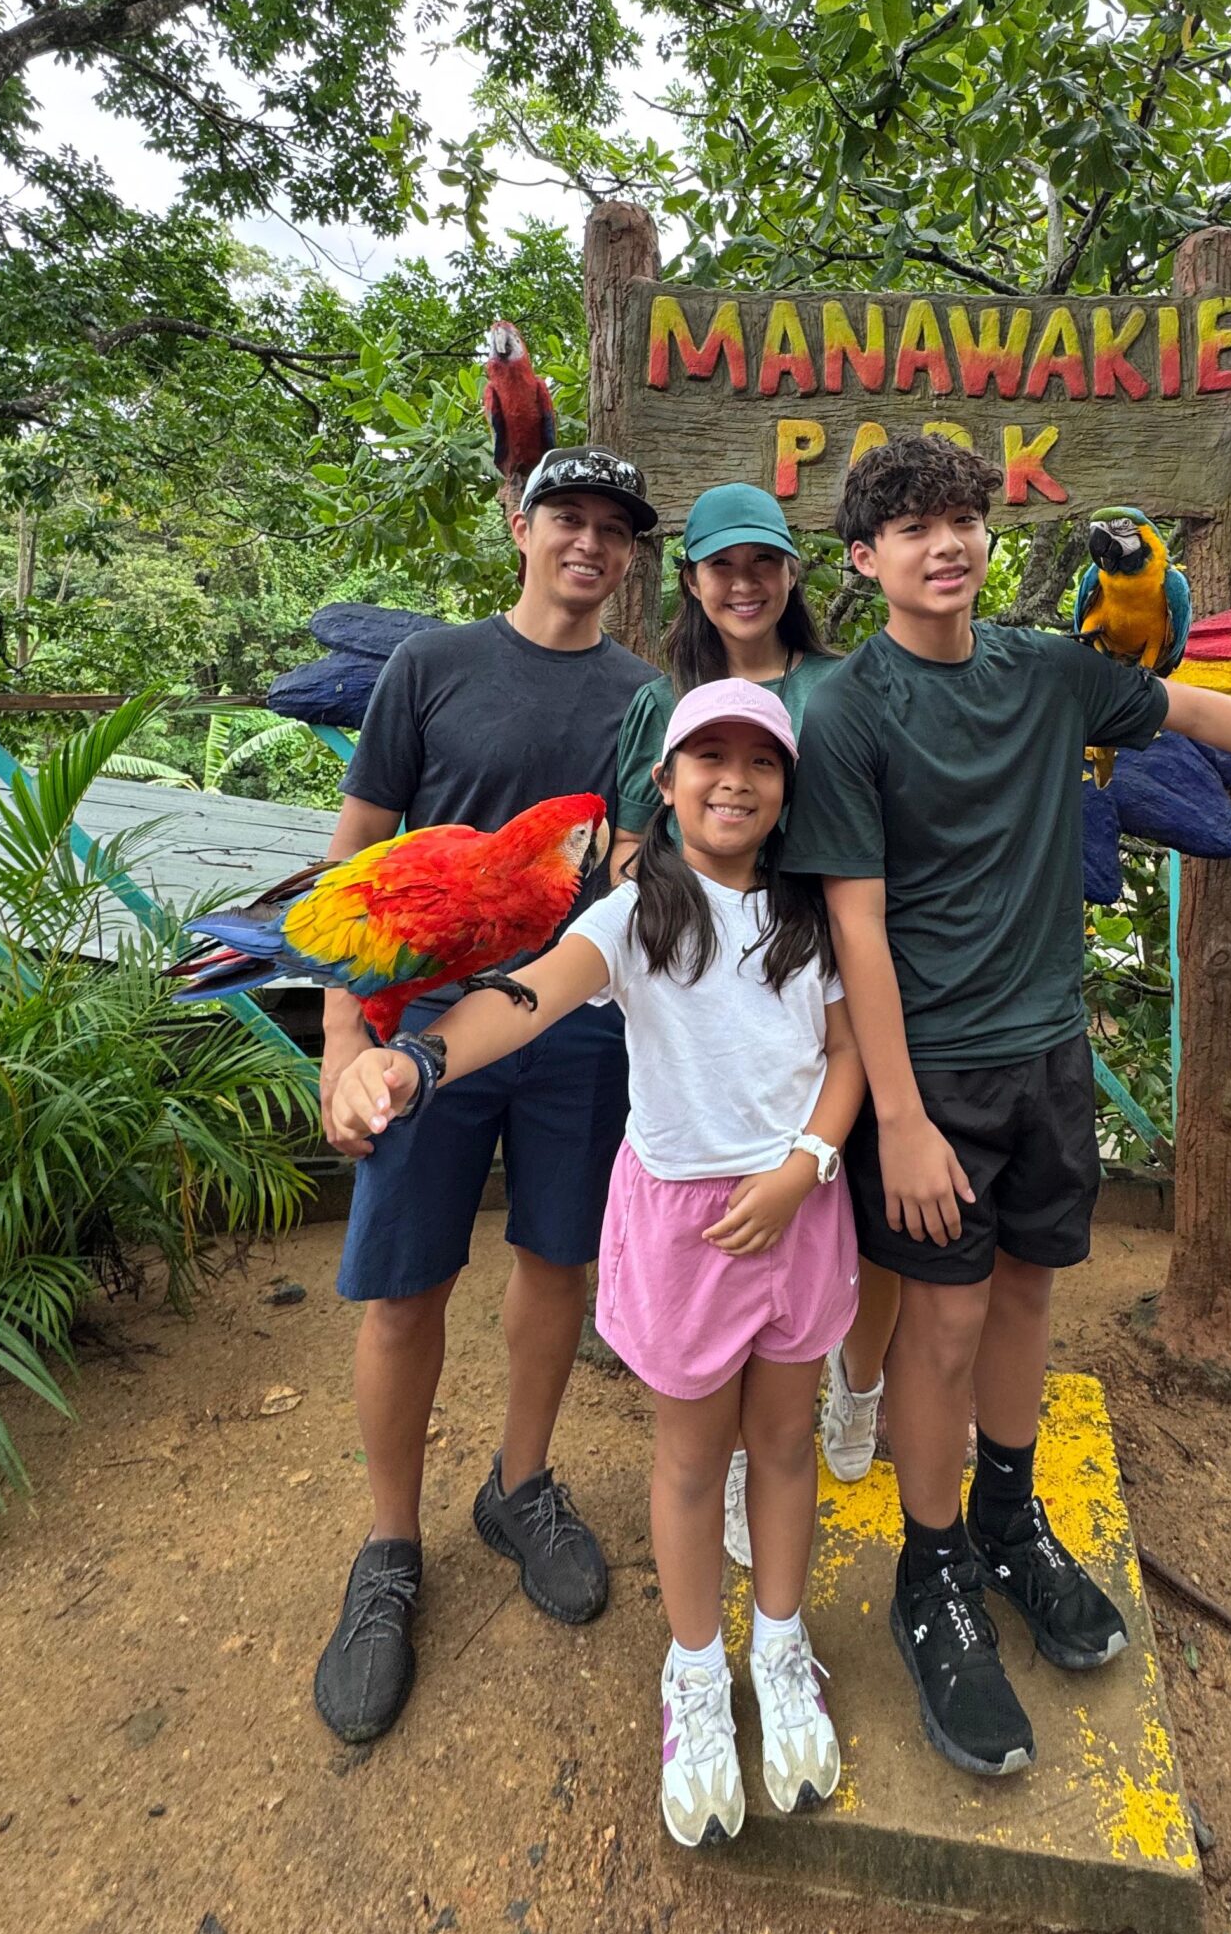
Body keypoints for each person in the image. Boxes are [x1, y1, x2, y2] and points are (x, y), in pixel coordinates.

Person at [782, 434, 1231, 1781]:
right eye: (914, 528)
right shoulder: (850, 711)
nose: (947, 544)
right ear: (865, 559)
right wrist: (903, 1120)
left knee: (1028, 1299)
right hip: (934, 1076)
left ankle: (1010, 1521)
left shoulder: (1047, 671)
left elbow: (1203, 715)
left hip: (1048, 1053)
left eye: (964, 520)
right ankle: (933, 1572)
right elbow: (855, 928)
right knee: (940, 1323)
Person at [328, 681, 865, 1849]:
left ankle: (782, 1645)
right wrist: (415, 1061)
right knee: (690, 1459)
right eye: (707, 757)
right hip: (688, 1233)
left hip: (798, 1212)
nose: (734, 779)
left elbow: (845, 1052)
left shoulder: (810, 915)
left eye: (761, 761)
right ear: (663, 786)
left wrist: (809, 1162)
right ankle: (695, 1668)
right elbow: (527, 997)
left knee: (785, 1442)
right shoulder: (632, 916)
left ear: (787, 789)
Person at [313, 445, 659, 1747]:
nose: (589, 542)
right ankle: (390, 1547)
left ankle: (521, 1485)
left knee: (556, 1260)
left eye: (614, 527)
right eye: (567, 516)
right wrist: (341, 1042)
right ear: (521, 524)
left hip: (576, 1028)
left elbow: (643, 877)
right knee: (406, 1287)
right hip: (419, 1027)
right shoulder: (431, 667)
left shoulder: (646, 699)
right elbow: (352, 863)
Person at [611, 484, 892, 1551]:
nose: (743, 582)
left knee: (858, 1209)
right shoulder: (660, 700)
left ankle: (855, 1387)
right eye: (721, 564)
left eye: (763, 561)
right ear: (690, 578)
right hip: (708, 1014)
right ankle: (733, 1457)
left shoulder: (842, 685)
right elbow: (629, 855)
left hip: (829, 975)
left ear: (792, 572)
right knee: (727, 1246)